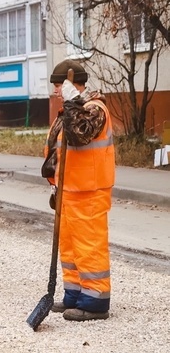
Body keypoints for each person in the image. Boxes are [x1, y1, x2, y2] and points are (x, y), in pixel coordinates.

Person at [42, 59, 115, 321]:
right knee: (70, 247)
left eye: (59, 85)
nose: (56, 91)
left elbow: (79, 135)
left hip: (89, 192)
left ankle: (95, 301)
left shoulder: (95, 109)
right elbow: (58, 152)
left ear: (73, 85)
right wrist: (54, 185)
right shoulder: (70, 110)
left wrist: (73, 103)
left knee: (89, 245)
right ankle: (74, 293)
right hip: (69, 192)